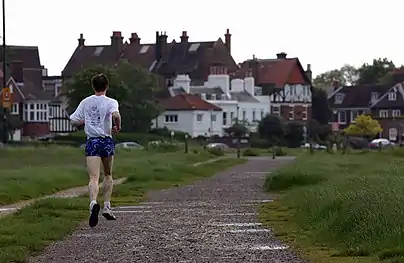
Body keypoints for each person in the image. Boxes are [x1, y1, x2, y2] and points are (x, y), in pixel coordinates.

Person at [69, 73, 121, 228]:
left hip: (92, 141)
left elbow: (73, 120)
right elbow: (116, 115)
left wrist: (84, 121)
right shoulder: (111, 101)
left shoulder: (86, 102)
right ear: (107, 86)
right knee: (108, 174)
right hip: (106, 141)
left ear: (93, 86)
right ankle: (106, 206)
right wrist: (117, 126)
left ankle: (92, 203)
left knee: (93, 177)